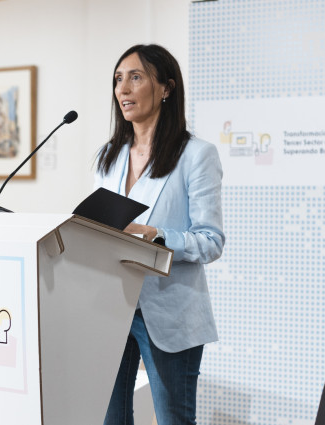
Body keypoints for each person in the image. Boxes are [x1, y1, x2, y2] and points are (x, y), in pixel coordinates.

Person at [95, 44, 225, 425]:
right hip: (111, 305)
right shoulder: (110, 155)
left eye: (136, 77)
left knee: (174, 420)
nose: (124, 89)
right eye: (119, 79)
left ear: (166, 88)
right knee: (110, 420)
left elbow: (211, 241)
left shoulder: (196, 155)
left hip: (169, 311)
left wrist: (156, 236)